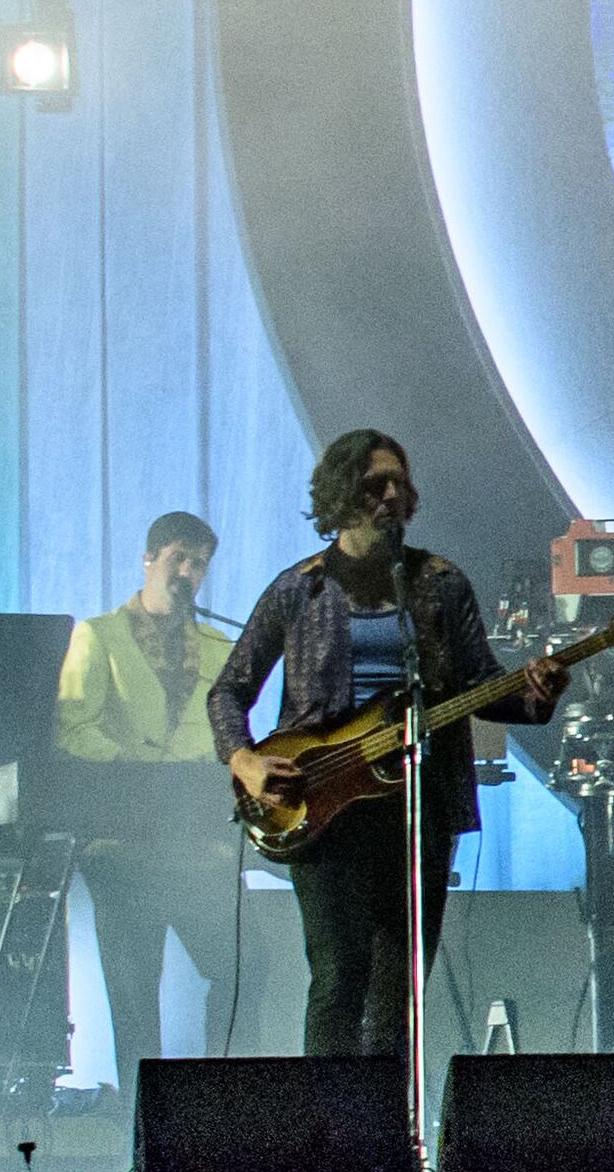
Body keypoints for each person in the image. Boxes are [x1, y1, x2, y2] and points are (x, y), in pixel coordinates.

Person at [209, 432, 563, 1062]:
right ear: (341, 494)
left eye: (401, 482)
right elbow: (229, 690)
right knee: (338, 982)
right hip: (323, 807)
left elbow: (482, 686)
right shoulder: (299, 589)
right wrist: (246, 760)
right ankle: (330, 1142)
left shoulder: (440, 583)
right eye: (377, 485)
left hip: (417, 809)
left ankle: (389, 1145)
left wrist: (536, 694)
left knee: (399, 997)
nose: (393, 495)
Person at [53, 512, 240, 1094]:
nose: (189, 572)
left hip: (196, 838)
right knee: (134, 990)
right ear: (148, 559)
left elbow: (230, 733)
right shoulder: (99, 635)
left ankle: (218, 1103)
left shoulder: (219, 644)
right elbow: (70, 727)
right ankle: (140, 1122)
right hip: (124, 839)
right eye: (178, 558)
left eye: (200, 563)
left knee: (242, 966)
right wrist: (130, 765)